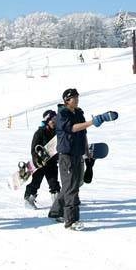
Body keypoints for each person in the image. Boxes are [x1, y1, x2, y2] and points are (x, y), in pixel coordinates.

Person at [48, 88, 110, 230]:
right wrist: (92, 122)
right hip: (66, 156)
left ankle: (56, 212)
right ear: (66, 100)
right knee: (72, 189)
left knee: (71, 186)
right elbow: (73, 128)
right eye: (73, 98)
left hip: (77, 154)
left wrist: (87, 152)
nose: (76, 100)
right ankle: (71, 221)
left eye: (77, 97)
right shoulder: (62, 114)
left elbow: (83, 132)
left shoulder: (79, 113)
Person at [24, 110, 61, 209]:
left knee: (54, 183)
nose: (54, 121)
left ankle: (57, 203)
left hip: (52, 163)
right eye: (52, 120)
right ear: (47, 121)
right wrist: (36, 160)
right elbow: (33, 149)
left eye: (55, 119)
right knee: (36, 182)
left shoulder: (57, 132)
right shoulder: (40, 132)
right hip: (40, 164)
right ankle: (29, 199)